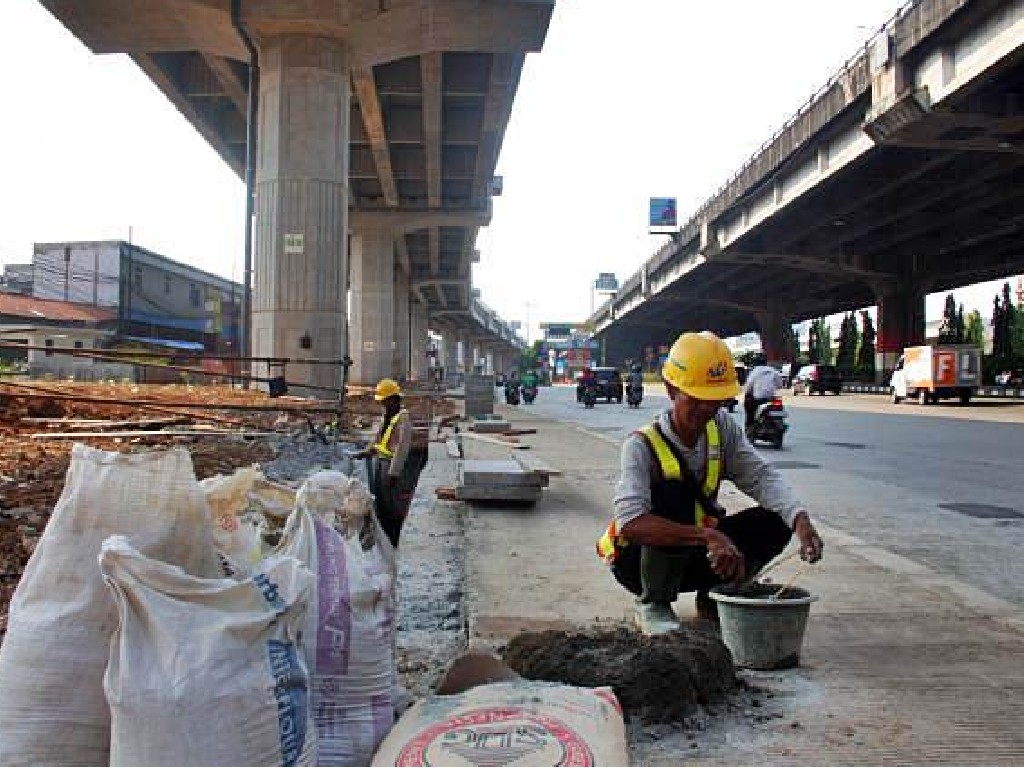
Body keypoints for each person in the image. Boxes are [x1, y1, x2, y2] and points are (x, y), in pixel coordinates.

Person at [597, 331, 824, 635]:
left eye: (715, 401)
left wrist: (800, 519)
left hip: (699, 553)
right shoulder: (641, 446)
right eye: (697, 399)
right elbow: (631, 523)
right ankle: (655, 603)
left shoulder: (722, 429)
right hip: (639, 562)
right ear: (671, 390)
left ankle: (717, 594)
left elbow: (760, 476)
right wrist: (706, 536)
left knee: (776, 519)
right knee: (672, 493)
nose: (706, 409)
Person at [354, 377, 415, 548]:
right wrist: (366, 452)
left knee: (392, 504)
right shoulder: (387, 416)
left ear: (394, 399)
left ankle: (395, 538)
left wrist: (394, 473)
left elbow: (402, 447)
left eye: (385, 401)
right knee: (380, 503)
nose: (383, 405)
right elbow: (379, 440)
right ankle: (384, 538)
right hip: (380, 463)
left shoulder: (403, 418)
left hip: (390, 466)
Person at [743, 354, 784, 431]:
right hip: (771, 398)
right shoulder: (773, 371)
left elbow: (748, 386)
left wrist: (748, 392)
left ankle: (750, 425)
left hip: (758, 398)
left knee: (749, 407)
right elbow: (780, 385)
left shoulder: (754, 371)